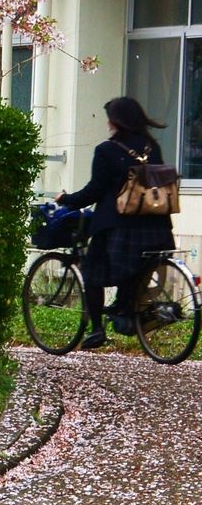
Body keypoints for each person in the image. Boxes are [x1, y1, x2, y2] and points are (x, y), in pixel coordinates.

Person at [55, 96, 177, 349]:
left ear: (116, 121)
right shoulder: (151, 146)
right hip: (158, 229)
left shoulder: (107, 150)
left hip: (119, 230)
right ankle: (126, 311)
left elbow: (94, 191)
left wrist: (66, 199)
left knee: (93, 274)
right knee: (134, 271)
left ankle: (97, 329)